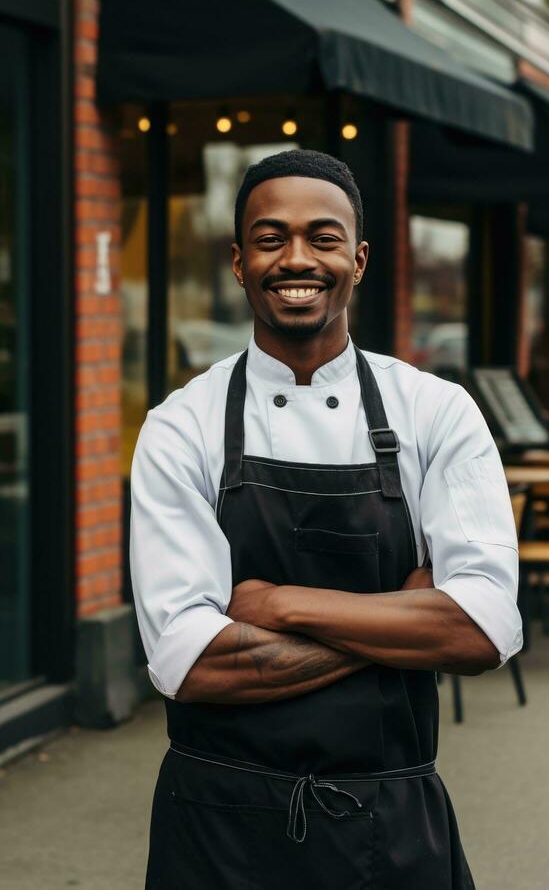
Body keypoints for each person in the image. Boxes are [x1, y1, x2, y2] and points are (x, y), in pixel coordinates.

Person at [130, 150, 522, 890]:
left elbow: (481, 630)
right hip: (216, 827)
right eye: (271, 238)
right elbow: (188, 661)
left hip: (392, 820)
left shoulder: (436, 412)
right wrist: (405, 619)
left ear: (359, 258)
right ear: (239, 261)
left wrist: (279, 604)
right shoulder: (181, 425)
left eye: (323, 236)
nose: (297, 258)